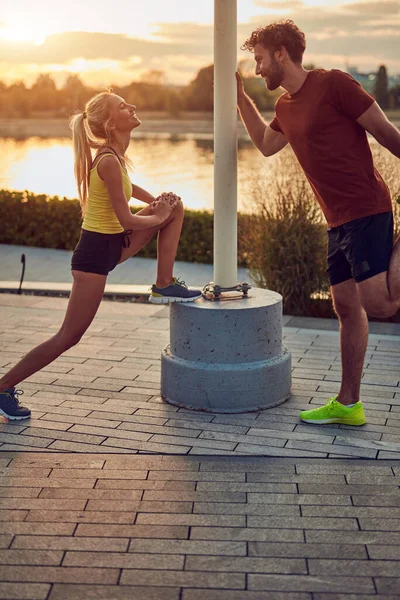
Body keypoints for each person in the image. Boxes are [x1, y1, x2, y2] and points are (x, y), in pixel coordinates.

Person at [0, 90, 201, 420]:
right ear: (110, 123)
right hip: (94, 257)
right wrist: (158, 216)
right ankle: (3, 387)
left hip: (113, 245)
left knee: (175, 206)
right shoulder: (106, 161)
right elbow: (128, 220)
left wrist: (161, 204)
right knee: (69, 336)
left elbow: (131, 192)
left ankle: (164, 284)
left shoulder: (116, 158)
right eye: (123, 106)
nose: (132, 106)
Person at [237, 20, 400, 426]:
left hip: (366, 209)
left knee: (378, 304)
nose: (257, 69)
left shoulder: (334, 84)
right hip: (337, 221)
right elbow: (266, 145)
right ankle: (348, 404)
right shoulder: (284, 107)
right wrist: (239, 98)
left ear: (280, 52)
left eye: (259, 60)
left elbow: (384, 133)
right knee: (346, 306)